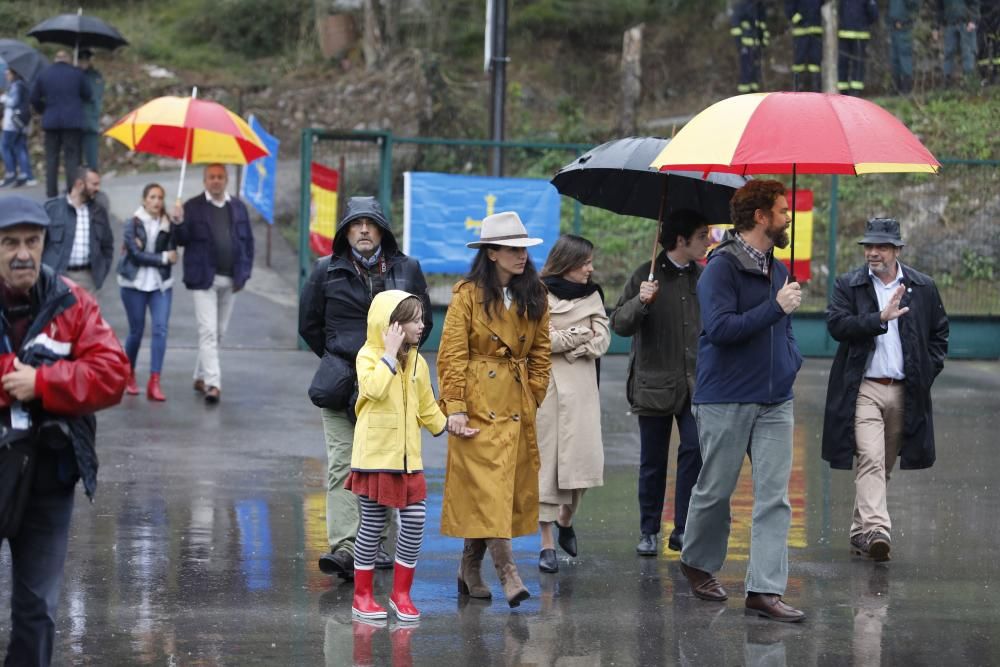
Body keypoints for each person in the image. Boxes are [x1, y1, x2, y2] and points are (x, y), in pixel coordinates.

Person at [0, 194, 129, 667]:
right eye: (9, 242)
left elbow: (113, 373)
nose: (21, 253)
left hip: (48, 477)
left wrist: (43, 381)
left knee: (38, 610)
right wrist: (8, 379)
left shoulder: (73, 302)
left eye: (31, 241)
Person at [678, 180, 806, 623]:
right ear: (760, 217)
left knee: (775, 498)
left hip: (775, 399)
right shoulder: (721, 268)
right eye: (782, 210)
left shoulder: (779, 269)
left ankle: (764, 591)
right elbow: (721, 329)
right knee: (715, 491)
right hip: (726, 398)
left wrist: (791, 361)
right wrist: (775, 307)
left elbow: (783, 328)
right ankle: (696, 561)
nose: (789, 216)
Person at [299, 196, 433, 580]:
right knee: (344, 465)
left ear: (382, 231)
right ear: (344, 232)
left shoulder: (408, 269)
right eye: (355, 224)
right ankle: (346, 547)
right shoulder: (326, 271)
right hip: (341, 387)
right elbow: (309, 325)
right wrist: (340, 360)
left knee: (387, 465)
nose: (363, 230)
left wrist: (400, 358)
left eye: (370, 224)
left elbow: (422, 321)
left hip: (392, 387)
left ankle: (377, 546)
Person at [437, 211, 551, 607]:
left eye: (523, 249)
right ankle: (509, 573)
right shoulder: (467, 294)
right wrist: (454, 407)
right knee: (487, 489)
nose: (521, 256)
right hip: (477, 406)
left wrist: (534, 394)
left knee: (494, 491)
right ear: (490, 253)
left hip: (516, 404)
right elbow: (451, 353)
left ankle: (469, 565)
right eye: (511, 249)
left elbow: (541, 352)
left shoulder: (534, 293)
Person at [822, 218, 949, 563]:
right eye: (868, 246)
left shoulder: (922, 286)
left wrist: (926, 371)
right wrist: (879, 318)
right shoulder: (850, 284)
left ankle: (859, 530)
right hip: (864, 388)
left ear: (896, 250)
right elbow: (836, 324)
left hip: (904, 391)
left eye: (880, 247)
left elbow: (940, 333)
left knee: (883, 464)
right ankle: (878, 529)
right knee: (871, 459)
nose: (873, 253)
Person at [347, 290, 475, 622]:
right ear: (392, 325)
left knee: (416, 522)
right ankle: (362, 596)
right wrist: (389, 355)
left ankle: (401, 594)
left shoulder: (417, 359)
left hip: (407, 459)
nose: (422, 325)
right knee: (373, 526)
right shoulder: (368, 355)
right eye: (414, 320)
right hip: (375, 457)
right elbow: (372, 390)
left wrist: (450, 425)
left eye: (421, 318)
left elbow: (426, 408)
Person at [611, 209, 711, 558]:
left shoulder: (706, 276)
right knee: (652, 460)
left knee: (695, 450)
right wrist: (642, 300)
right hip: (654, 383)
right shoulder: (646, 273)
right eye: (702, 235)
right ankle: (648, 529)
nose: (708, 241)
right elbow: (620, 324)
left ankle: (683, 527)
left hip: (696, 384)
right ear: (681, 239)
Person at [535, 234, 610, 573]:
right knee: (548, 467)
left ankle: (566, 518)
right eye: (585, 263)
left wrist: (585, 344)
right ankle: (547, 543)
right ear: (567, 264)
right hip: (547, 389)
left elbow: (603, 334)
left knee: (583, 463)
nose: (590, 269)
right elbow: (538, 339)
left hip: (582, 388)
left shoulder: (594, 294)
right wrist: (579, 336)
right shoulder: (536, 293)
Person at [172, 164, 254, 404]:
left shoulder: (237, 207)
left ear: (226, 180)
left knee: (218, 332)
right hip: (203, 279)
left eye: (220, 177)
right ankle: (213, 383)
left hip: (231, 279)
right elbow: (181, 240)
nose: (216, 181)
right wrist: (177, 222)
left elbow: (248, 242)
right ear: (204, 180)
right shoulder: (192, 207)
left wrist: (245, 273)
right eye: (211, 177)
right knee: (207, 331)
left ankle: (200, 375)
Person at [117, 183, 178, 401]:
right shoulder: (132, 223)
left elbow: (175, 247)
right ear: (144, 200)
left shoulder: (168, 223)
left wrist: (178, 222)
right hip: (134, 283)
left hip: (160, 284)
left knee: (160, 329)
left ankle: (155, 381)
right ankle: (128, 373)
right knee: (136, 330)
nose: (156, 201)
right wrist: (162, 258)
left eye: (160, 197)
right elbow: (135, 255)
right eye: (152, 197)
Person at [29, 50, 92, 198]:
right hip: (72, 122)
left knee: (51, 159)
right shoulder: (77, 73)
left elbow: (33, 97)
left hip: (51, 122)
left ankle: (51, 194)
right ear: (68, 59)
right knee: (73, 159)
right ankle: (73, 192)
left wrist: (44, 109)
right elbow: (88, 94)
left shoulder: (44, 74)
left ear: (55, 59)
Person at [41, 167, 114, 294]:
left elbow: (107, 246)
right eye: (94, 184)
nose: (98, 188)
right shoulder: (52, 208)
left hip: (87, 279)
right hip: (57, 277)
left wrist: (100, 273)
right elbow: (39, 243)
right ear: (80, 184)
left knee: (87, 314)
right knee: (58, 314)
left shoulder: (99, 211)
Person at [1, 69, 37, 188]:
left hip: (12, 123)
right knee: (20, 147)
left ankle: (10, 173)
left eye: (8, 74)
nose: (6, 76)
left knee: (5, 146)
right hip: (20, 122)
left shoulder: (16, 86)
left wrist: (3, 98)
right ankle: (27, 175)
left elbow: (13, 102)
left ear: (14, 73)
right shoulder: (23, 85)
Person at [934, 0, 982, 86]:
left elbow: (975, 3)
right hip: (950, 24)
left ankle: (969, 80)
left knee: (968, 52)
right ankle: (946, 80)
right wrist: (936, 27)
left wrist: (973, 20)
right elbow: (939, 9)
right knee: (948, 52)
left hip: (966, 23)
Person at [838, 0, 879, 95]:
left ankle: (842, 92)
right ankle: (855, 92)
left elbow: (840, 10)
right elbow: (874, 14)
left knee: (843, 64)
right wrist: (864, 23)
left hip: (844, 33)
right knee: (858, 64)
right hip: (859, 34)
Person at [731, 0, 770, 92]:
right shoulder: (742, 6)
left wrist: (763, 41)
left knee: (755, 72)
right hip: (745, 45)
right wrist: (739, 43)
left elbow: (762, 26)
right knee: (746, 71)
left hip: (756, 45)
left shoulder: (759, 7)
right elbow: (735, 24)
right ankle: (744, 94)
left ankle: (753, 92)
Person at [786, 0, 823, 91]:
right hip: (801, 32)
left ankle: (816, 88)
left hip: (816, 31)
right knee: (799, 61)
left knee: (815, 62)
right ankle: (798, 87)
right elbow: (788, 9)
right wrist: (799, 19)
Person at [78, 50, 104, 171]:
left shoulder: (95, 76)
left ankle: (93, 179)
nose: (82, 63)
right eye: (80, 60)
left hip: (90, 119)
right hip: (76, 120)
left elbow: (94, 96)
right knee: (76, 158)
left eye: (84, 60)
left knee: (91, 156)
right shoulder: (75, 75)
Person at [888, 0, 922, 94]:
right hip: (893, 28)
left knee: (905, 58)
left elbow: (915, 6)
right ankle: (896, 87)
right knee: (894, 59)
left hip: (904, 28)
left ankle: (906, 88)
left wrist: (905, 21)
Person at [978, 0, 999, 84]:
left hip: (996, 24)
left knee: (997, 52)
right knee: (983, 51)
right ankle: (983, 77)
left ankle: (996, 75)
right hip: (983, 25)